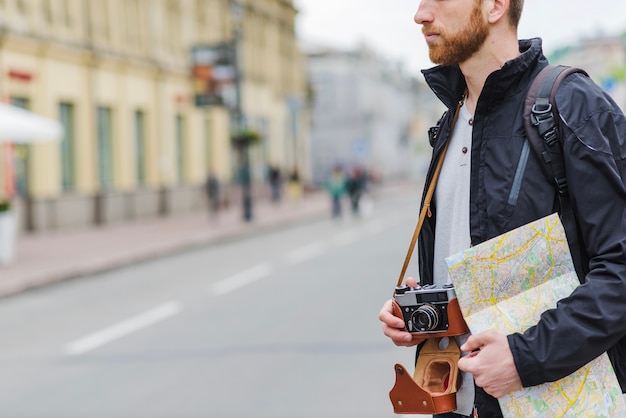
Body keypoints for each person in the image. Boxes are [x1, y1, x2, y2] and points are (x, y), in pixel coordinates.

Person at [378, 1, 626, 417]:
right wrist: (420, 310)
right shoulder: (449, 122)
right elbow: (474, 265)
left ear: (495, 6)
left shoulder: (572, 105)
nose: (421, 15)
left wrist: (523, 357)